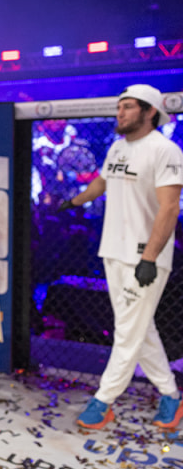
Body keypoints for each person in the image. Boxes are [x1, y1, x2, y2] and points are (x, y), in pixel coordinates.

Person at [60, 84, 183, 431]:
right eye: (119, 107)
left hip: (144, 258)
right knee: (139, 329)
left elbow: (169, 207)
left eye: (128, 106)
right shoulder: (117, 147)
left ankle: (103, 401)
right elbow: (102, 183)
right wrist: (74, 202)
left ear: (150, 112)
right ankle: (171, 396)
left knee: (128, 331)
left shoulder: (165, 150)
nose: (120, 113)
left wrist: (150, 257)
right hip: (112, 250)